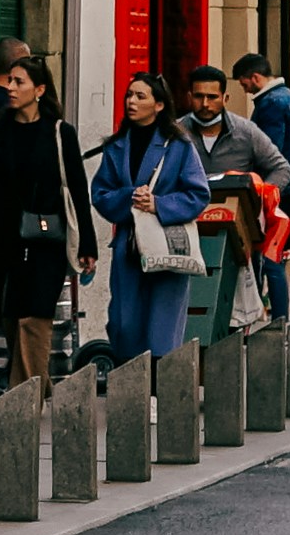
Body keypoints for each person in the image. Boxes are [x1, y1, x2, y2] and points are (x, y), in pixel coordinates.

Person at [0, 56, 85, 390]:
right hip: (3, 240)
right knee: (10, 317)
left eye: (19, 82)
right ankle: (37, 386)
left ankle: (23, 399)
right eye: (9, 80)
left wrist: (88, 245)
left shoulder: (59, 133)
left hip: (45, 240)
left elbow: (77, 190)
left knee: (34, 318)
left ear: (39, 90)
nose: (10, 88)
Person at [85, 72, 216, 362]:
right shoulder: (117, 146)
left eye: (140, 96)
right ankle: (129, 376)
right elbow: (101, 193)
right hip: (129, 245)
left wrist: (158, 204)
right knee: (123, 320)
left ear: (158, 105)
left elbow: (198, 194)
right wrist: (131, 197)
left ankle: (158, 384)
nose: (131, 101)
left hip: (167, 243)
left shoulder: (179, 145)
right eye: (129, 95)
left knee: (163, 323)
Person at [175, 63, 290, 347]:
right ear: (189, 97)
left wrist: (261, 198)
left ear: (225, 98)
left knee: (261, 273)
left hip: (237, 231)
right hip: (187, 228)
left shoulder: (246, 132)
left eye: (212, 97)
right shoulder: (176, 133)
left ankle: (277, 332)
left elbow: (281, 168)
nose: (205, 104)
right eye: (199, 96)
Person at [230, 50, 290, 325]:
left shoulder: (270, 104)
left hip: (276, 190)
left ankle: (273, 317)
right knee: (277, 254)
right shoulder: (289, 97)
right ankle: (279, 315)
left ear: (255, 78)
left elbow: (269, 150)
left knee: (268, 256)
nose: (245, 90)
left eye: (244, 84)